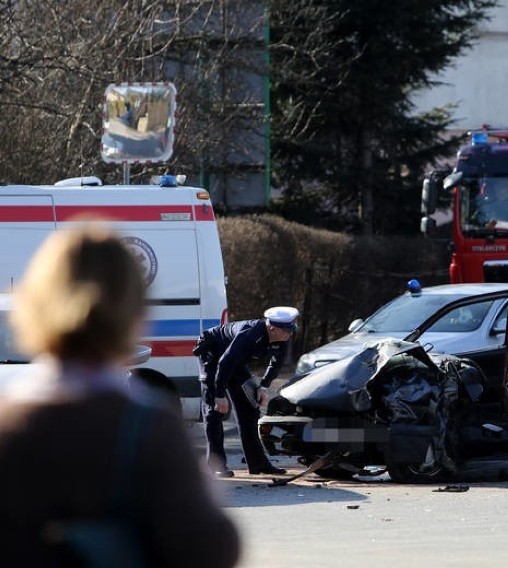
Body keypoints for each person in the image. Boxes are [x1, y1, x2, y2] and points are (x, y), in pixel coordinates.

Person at [0, 223, 240, 566]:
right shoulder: (150, 427)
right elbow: (207, 549)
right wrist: (208, 495)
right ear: (133, 311)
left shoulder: (7, 423)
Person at [194, 306, 299, 477]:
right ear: (272, 328)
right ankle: (216, 465)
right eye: (286, 331)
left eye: (291, 330)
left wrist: (263, 386)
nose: (289, 335)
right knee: (214, 411)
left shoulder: (281, 337)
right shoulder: (250, 335)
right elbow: (224, 363)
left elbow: (276, 363)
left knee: (250, 407)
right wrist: (220, 395)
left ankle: (258, 463)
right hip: (213, 352)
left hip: (233, 359)